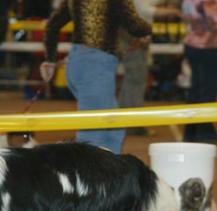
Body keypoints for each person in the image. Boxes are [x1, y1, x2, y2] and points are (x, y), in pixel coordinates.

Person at [40, 0, 152, 154]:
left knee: (114, 128)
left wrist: (50, 60)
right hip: (95, 67)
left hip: (79, 63)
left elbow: (52, 25)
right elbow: (135, 25)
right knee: (93, 134)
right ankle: (89, 175)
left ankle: (109, 173)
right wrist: (149, 30)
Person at [118, 0, 181, 136]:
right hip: (133, 37)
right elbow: (146, 10)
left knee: (135, 80)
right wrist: (172, 11)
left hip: (135, 37)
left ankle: (127, 121)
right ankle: (131, 123)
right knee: (135, 79)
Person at [181, 0, 217, 144]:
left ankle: (191, 132)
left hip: (193, 45)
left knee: (196, 89)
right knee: (208, 91)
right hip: (209, 47)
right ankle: (205, 133)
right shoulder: (208, 2)